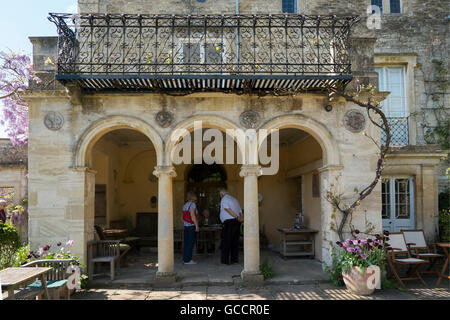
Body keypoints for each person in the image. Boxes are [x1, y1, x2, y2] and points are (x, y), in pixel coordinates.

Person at [219, 188, 243, 265]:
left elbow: (227, 209)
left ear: (221, 194)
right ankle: (234, 260)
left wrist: (236, 217)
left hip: (229, 222)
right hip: (236, 222)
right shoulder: (234, 199)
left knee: (226, 242)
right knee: (234, 242)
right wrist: (240, 218)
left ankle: (225, 261)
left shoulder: (224, 199)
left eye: (220, 195)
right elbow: (240, 211)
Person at [182, 191, 200, 264]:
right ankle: (188, 260)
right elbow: (193, 216)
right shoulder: (192, 204)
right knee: (191, 243)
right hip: (191, 226)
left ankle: (185, 259)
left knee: (186, 243)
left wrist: (186, 223)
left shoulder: (185, 205)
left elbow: (182, 217)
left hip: (186, 226)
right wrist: (196, 226)